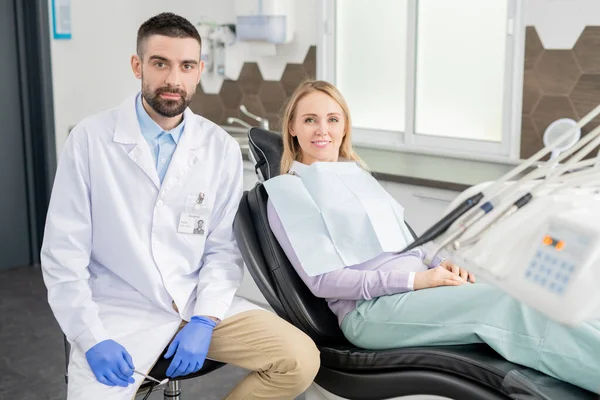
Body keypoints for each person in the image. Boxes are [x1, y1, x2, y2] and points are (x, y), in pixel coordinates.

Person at [41, 13, 319, 400]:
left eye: (186, 66)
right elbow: (62, 255)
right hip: (118, 313)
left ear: (199, 70)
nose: (174, 79)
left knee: (299, 359)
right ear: (138, 66)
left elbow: (223, 249)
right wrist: (90, 338)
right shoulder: (91, 140)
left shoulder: (218, 146)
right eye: (160, 63)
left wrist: (205, 318)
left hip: (195, 302)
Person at [265, 80, 600, 395]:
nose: (323, 130)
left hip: (413, 290)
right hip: (371, 312)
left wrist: (442, 262)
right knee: (507, 306)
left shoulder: (355, 175)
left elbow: (405, 238)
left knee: (527, 295)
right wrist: (415, 280)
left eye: (332, 119)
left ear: (344, 127)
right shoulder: (290, 194)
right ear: (293, 128)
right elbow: (323, 281)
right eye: (310, 120)